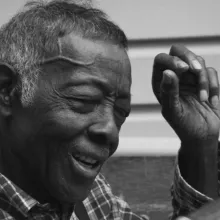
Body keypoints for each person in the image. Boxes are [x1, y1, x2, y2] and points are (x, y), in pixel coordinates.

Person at [0, 0, 218, 219]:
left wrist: (200, 144)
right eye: (84, 99)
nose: (110, 131)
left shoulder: (88, 196)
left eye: (121, 112)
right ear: (7, 90)